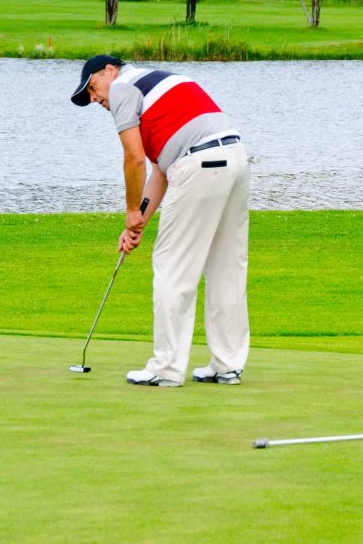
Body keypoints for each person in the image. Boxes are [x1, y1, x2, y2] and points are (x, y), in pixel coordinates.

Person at [70, 54, 250, 387]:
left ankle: (166, 367)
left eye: (93, 88)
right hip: (236, 159)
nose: (95, 99)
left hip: (199, 163)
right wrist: (136, 223)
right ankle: (228, 364)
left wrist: (130, 210)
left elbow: (134, 160)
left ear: (110, 70)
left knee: (172, 265)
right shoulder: (159, 81)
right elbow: (161, 172)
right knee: (227, 266)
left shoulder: (123, 88)